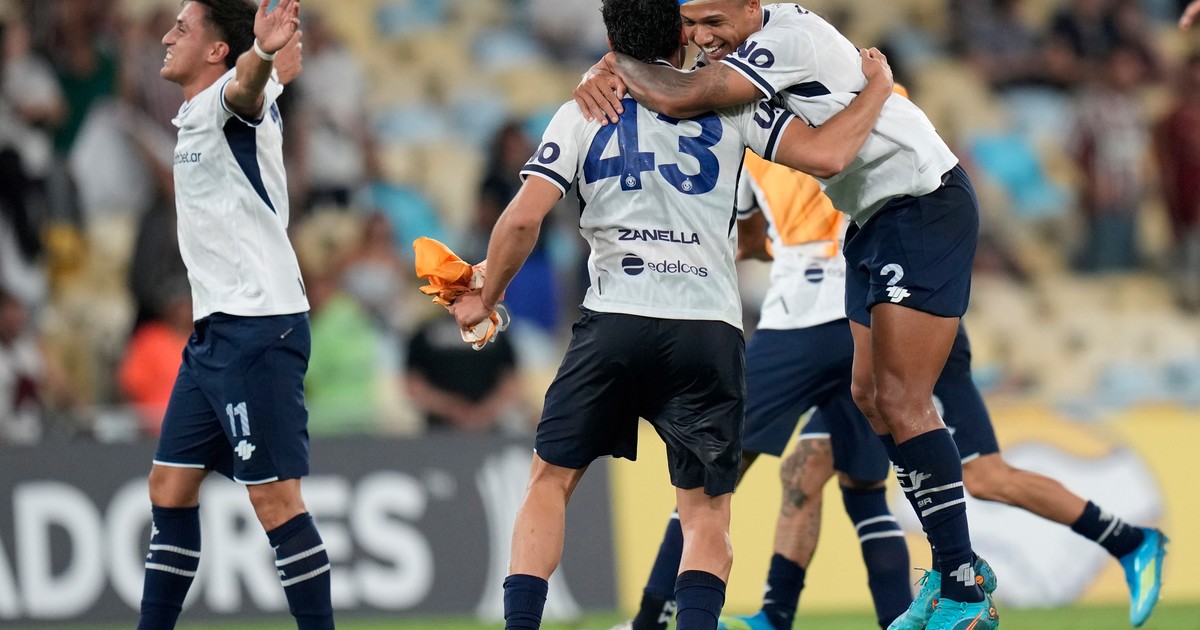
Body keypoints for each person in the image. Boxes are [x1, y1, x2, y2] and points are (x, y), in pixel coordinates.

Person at [448, 0, 896, 626]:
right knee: (706, 512)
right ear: (684, 34)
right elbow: (827, 153)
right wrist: (878, 88)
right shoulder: (733, 106)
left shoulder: (584, 109)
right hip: (708, 330)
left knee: (549, 482)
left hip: (614, 321)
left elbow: (524, 219)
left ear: (611, 41)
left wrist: (486, 295)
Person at [575, 2, 998, 626]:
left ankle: (962, 583)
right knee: (870, 397)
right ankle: (950, 567)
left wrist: (613, 63)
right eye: (693, 24)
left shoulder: (790, 38)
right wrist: (605, 70)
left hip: (921, 204)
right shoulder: (742, 66)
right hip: (869, 219)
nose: (702, 37)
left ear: (753, 5)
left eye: (715, 21)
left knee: (901, 400)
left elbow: (804, 147)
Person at [135, 1, 333, 629]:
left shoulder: (226, 100)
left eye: (183, 28)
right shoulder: (211, 106)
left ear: (218, 51)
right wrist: (274, 63)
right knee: (169, 488)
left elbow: (246, 88)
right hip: (216, 332)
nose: (166, 37)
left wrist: (266, 53)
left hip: (258, 328)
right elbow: (263, 82)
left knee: (276, 502)